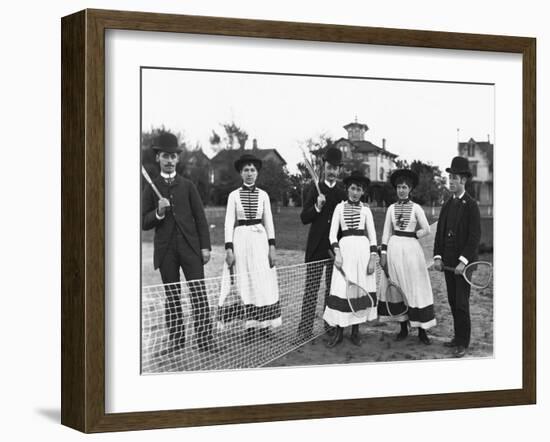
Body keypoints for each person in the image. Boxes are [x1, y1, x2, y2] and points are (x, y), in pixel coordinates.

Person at [141, 132, 215, 353]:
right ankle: (177, 341)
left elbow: (201, 218)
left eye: (173, 156)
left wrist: (205, 246)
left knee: (198, 294)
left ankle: (205, 341)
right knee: (172, 296)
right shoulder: (150, 187)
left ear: (177, 159)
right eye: (165, 156)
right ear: (158, 158)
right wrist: (159, 212)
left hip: (191, 248)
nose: (170, 160)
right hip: (166, 252)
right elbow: (144, 222)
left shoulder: (188, 186)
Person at [224, 153, 281, 342]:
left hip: (260, 240)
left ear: (257, 173)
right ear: (241, 173)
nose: (249, 173)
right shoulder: (233, 196)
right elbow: (228, 223)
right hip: (241, 239)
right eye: (246, 170)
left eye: (253, 170)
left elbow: (269, 222)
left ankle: (265, 325)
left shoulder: (263, 195)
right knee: (246, 281)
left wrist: (272, 247)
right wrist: (229, 248)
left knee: (262, 280)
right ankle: (249, 327)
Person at [378, 169, 436, 345]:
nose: (401, 190)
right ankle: (403, 328)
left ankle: (421, 330)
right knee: (397, 288)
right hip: (394, 250)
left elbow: (427, 229)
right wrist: (383, 254)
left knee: (415, 288)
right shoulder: (391, 209)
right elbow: (386, 233)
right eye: (398, 187)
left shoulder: (416, 208)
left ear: (410, 189)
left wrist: (414, 235)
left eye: (404, 187)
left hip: (411, 251)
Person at [295, 147, 347, 341]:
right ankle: (304, 330)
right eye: (329, 167)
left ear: (340, 170)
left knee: (331, 291)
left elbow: (344, 225)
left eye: (335, 168)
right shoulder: (313, 188)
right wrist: (317, 206)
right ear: (324, 167)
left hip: (334, 250)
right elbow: (304, 218)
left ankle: (329, 325)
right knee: (311, 290)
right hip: (315, 249)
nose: (332, 171)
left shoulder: (342, 194)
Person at [323, 170, 378, 347]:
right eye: (353, 188)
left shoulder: (366, 211)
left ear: (363, 192)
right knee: (341, 289)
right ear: (348, 189)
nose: (355, 192)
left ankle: (355, 332)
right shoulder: (339, 208)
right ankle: (339, 332)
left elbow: (373, 237)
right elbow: (332, 236)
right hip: (345, 252)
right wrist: (337, 253)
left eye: (359, 189)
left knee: (359, 289)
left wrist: (372, 259)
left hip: (362, 253)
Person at [433, 156, 481, 358]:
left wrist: (464, 261)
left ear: (464, 180)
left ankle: (463, 342)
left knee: (462, 303)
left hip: (463, 266)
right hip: (448, 264)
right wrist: (437, 257)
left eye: (454, 178)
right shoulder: (446, 205)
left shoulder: (471, 205)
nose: (450, 181)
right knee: (453, 302)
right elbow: (439, 234)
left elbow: (474, 237)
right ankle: (457, 337)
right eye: (449, 177)